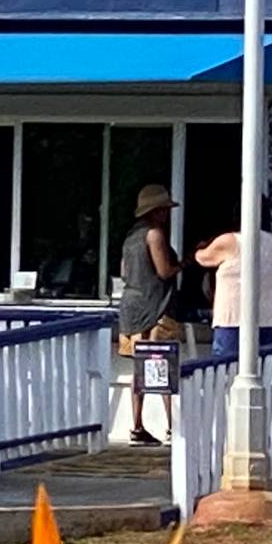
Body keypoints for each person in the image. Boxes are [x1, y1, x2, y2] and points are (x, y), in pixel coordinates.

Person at [118, 184, 182, 446]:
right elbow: (164, 271)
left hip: (131, 309)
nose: (167, 214)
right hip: (155, 306)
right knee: (161, 362)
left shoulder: (130, 238)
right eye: (164, 209)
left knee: (140, 367)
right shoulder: (154, 235)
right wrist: (187, 261)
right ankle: (172, 427)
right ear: (155, 212)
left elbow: (123, 272)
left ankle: (136, 426)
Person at [195, 200, 272, 360]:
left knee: (225, 369)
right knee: (265, 367)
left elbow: (203, 258)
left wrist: (201, 247)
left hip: (233, 318)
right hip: (267, 317)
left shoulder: (230, 241)